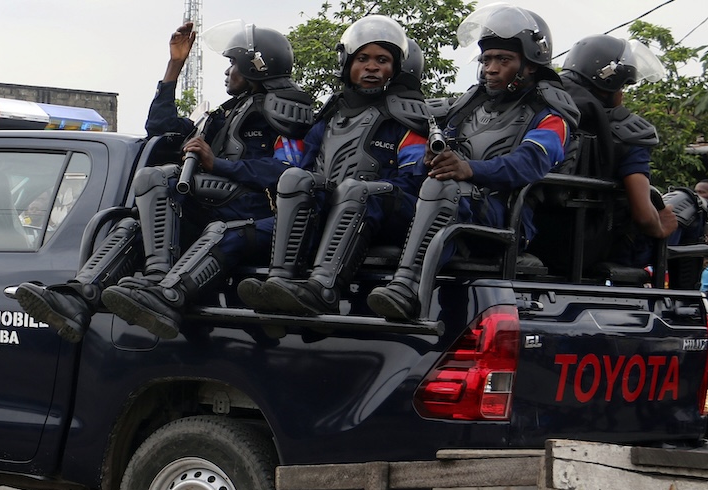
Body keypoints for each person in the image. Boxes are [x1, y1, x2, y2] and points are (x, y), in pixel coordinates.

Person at [14, 20, 312, 341]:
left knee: (161, 179)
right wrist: (174, 66)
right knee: (133, 226)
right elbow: (160, 126)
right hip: (215, 210)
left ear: (257, 66)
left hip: (255, 218)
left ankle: (158, 285)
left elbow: (287, 173)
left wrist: (218, 163)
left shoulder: (284, 111)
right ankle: (78, 298)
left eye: (233, 63)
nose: (227, 71)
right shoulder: (225, 113)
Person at [366, 4, 579, 321]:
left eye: (503, 60)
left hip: (504, 216)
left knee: (444, 192)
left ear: (531, 65)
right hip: (450, 202)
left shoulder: (549, 114)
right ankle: (322, 284)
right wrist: (431, 159)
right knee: (367, 192)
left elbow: (531, 163)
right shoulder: (469, 105)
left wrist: (469, 169)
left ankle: (406, 289)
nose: (490, 68)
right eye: (486, 59)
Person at [238, 16, 428, 315]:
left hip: (382, 216)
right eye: (363, 58)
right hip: (330, 213)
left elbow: (413, 186)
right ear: (347, 63)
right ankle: (278, 282)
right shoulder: (330, 117)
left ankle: (323, 289)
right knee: (292, 182)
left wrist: (350, 195)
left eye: (382, 60)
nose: (372, 67)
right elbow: (304, 172)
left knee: (356, 191)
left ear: (395, 68)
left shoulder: (407, 120)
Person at [557, 34, 676, 271]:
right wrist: (661, 225)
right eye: (623, 86)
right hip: (592, 250)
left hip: (534, 241)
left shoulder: (548, 107)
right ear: (611, 84)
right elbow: (643, 215)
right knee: (691, 206)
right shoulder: (627, 133)